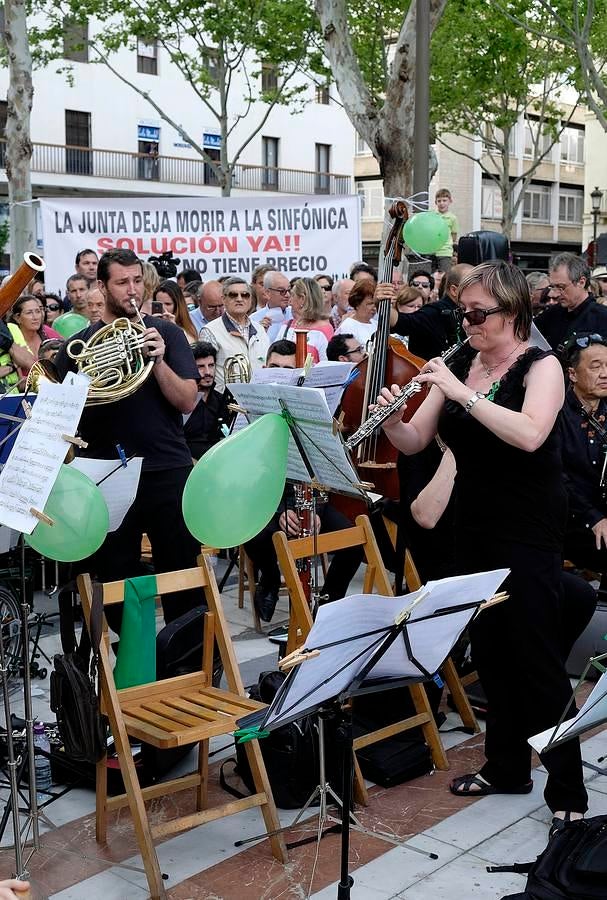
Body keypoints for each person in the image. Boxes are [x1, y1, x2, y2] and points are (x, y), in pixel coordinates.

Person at [378, 260, 587, 831]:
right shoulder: (460, 362)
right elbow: (415, 437)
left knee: (537, 660)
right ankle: (506, 767)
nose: (466, 323)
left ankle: (568, 787)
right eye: (462, 312)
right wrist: (392, 415)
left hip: (527, 526)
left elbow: (529, 433)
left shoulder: (541, 367)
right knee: (491, 650)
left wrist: (460, 396)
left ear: (514, 313)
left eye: (478, 314)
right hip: (471, 524)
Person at [54, 248, 201, 626]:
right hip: (108, 474)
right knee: (114, 579)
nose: (132, 290)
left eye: (137, 280)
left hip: (167, 469)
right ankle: (138, 668)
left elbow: (186, 400)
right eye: (122, 282)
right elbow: (61, 417)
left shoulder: (166, 333)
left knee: (182, 577)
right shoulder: (79, 348)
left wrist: (158, 361)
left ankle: (186, 664)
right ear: (101, 286)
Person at [244, 341, 362, 623]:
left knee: (354, 544)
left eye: (288, 370)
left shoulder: (312, 408)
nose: (281, 376)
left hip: (311, 497)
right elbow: (250, 478)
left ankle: (327, 607)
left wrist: (316, 513)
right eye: (275, 368)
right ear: (264, 368)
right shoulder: (253, 409)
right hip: (266, 501)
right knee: (255, 534)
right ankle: (270, 577)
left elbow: (321, 469)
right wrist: (277, 512)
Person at [559, 333, 607, 582]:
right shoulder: (555, 413)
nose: (605, 373)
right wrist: (594, 518)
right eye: (596, 366)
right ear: (573, 374)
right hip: (573, 520)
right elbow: (558, 477)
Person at [388, 262, 473, 360]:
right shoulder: (433, 312)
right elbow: (401, 321)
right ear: (454, 290)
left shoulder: (469, 312)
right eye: (472, 286)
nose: (479, 291)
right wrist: (381, 300)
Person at [200, 276, 270, 391]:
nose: (239, 299)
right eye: (233, 295)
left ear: (251, 299)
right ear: (223, 299)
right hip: (225, 404)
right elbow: (205, 373)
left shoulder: (260, 330)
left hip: (259, 402)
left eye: (245, 295)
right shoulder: (209, 331)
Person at [536, 253, 607, 351]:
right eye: (553, 286)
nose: (555, 293)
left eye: (561, 287)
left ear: (581, 282)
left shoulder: (602, 317)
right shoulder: (552, 313)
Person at [183, 342, 233, 461]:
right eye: (200, 366)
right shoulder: (181, 402)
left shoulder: (223, 401)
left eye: (211, 365)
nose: (208, 372)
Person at [277, 277, 333, 362]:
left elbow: (327, 366)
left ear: (302, 299)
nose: (289, 301)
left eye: (292, 295)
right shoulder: (286, 326)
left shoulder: (324, 329)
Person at [9, 295, 61, 366]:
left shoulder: (47, 332)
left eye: (38, 311)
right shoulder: (9, 338)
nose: (35, 317)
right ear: (17, 318)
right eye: (29, 313)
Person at [250, 271, 292, 342]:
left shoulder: (296, 315)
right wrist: (259, 333)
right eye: (282, 291)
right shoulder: (253, 320)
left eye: (289, 290)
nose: (287, 295)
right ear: (267, 293)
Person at [334, 279, 376, 348]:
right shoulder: (347, 327)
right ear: (357, 303)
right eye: (369, 304)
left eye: (375, 303)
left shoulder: (377, 324)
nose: (374, 307)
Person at [434, 188, 459, 272]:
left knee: (445, 276)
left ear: (450, 201)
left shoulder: (452, 218)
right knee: (432, 276)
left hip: (445, 252)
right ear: (436, 202)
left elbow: (454, 235)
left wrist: (447, 244)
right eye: (439, 201)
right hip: (432, 251)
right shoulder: (432, 216)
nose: (442, 203)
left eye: (444, 200)